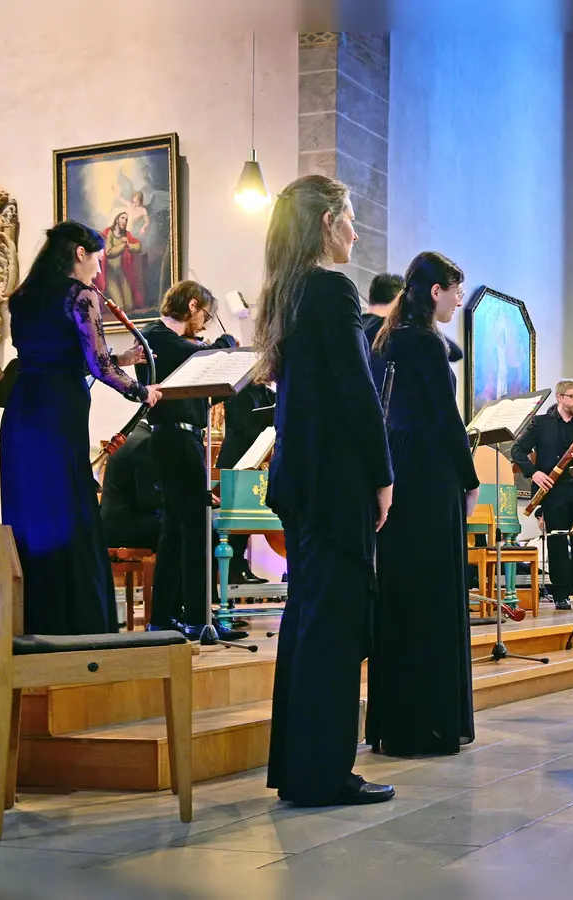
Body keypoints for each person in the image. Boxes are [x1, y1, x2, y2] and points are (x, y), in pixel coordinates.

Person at [256, 174, 395, 807]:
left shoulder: (285, 294)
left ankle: (299, 766)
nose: (356, 231)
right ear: (326, 224)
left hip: (299, 479)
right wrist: (383, 474)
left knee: (308, 621)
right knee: (334, 628)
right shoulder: (333, 290)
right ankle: (326, 775)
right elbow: (357, 394)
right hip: (337, 481)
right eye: (350, 219)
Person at [1, 221, 162, 634]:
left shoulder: (24, 297)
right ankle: (75, 620)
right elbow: (98, 366)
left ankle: (29, 616)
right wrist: (141, 391)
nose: (99, 268)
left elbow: (64, 355)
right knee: (69, 504)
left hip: (23, 411)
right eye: (98, 258)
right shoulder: (80, 295)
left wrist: (120, 360)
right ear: (79, 254)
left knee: (31, 510)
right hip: (59, 412)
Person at [364, 251, 478, 757]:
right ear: (436, 291)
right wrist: (470, 477)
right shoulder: (427, 344)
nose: (458, 299)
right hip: (430, 475)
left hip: (397, 468)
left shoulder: (389, 337)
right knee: (433, 592)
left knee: (402, 593)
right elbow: (445, 420)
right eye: (455, 289)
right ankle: (430, 723)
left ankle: (395, 720)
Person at [139, 280, 246, 639]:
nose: (204, 322)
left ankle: (164, 617)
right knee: (197, 529)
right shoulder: (156, 336)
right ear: (192, 305)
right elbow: (196, 353)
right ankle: (200, 619)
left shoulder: (180, 345)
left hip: (185, 438)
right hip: (173, 437)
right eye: (204, 315)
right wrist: (225, 346)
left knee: (176, 531)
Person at [511, 379, 573, 610]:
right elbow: (517, 450)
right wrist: (533, 473)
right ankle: (561, 595)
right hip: (552, 491)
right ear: (560, 397)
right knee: (556, 543)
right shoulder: (540, 424)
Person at [216, 380, 277, 584]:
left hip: (258, 460)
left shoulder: (266, 393)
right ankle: (233, 570)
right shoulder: (237, 392)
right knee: (236, 521)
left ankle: (240, 567)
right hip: (237, 460)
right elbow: (243, 426)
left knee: (248, 520)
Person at [100, 421, 162, 551]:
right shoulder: (145, 443)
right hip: (127, 528)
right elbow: (147, 499)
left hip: (112, 525)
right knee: (183, 529)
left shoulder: (132, 437)